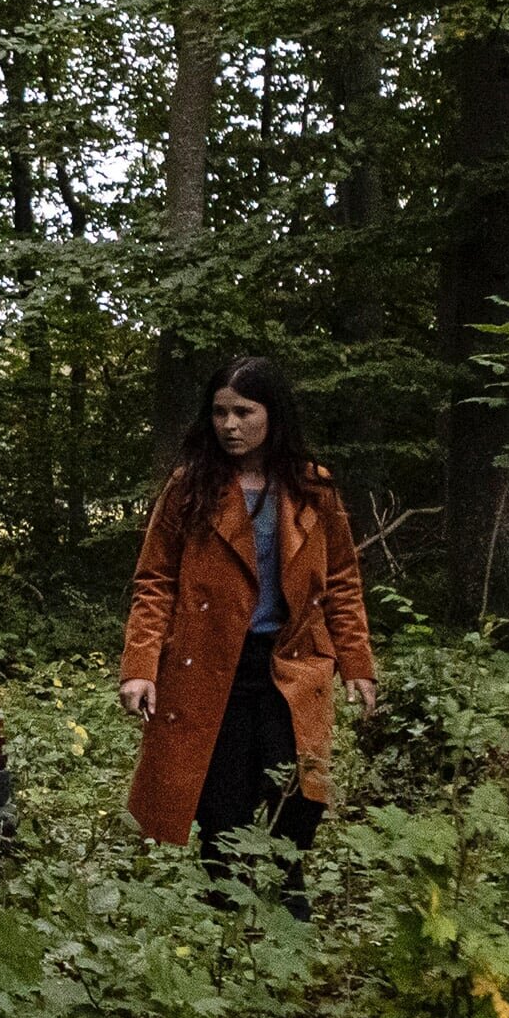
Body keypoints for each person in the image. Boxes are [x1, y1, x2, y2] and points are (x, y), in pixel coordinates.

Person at [119, 356, 377, 911]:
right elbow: (154, 581)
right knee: (221, 800)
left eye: (243, 412)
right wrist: (140, 667)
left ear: (272, 414)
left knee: (300, 793)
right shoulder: (191, 487)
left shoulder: (312, 488)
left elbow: (341, 581)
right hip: (210, 666)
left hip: (292, 662)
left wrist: (357, 664)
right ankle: (224, 915)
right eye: (219, 412)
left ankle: (289, 899)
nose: (229, 425)